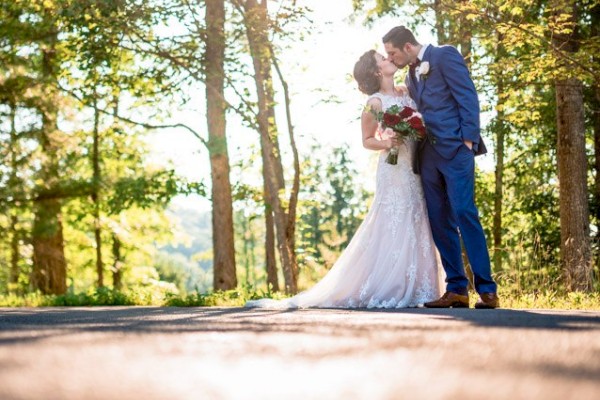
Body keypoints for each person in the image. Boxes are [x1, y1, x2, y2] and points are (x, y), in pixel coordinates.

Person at [245, 50, 442, 309]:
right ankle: (390, 285)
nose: (388, 59)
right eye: (382, 58)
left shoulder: (406, 91)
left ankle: (420, 287)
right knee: (395, 220)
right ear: (376, 71)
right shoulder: (374, 103)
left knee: (418, 216)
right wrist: (387, 141)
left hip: (414, 166)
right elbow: (367, 140)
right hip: (392, 169)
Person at [382, 26, 499, 309]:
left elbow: (467, 96)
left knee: (464, 212)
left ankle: (487, 290)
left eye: (392, 52)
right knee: (438, 221)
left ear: (407, 47)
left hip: (456, 149)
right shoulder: (411, 74)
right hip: (427, 155)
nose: (391, 58)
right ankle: (456, 288)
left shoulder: (445, 56)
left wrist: (468, 141)